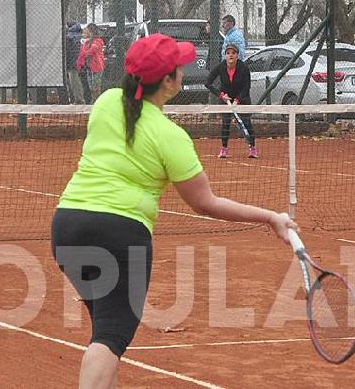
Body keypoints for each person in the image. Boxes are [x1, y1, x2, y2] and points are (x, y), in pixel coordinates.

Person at [51, 33, 298, 388]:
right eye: (178, 69)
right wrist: (271, 217)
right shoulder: (171, 137)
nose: (183, 71)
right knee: (110, 338)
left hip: (67, 226)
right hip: (120, 235)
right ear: (168, 82)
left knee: (105, 332)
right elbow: (205, 203)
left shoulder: (106, 102)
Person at [205, 44, 258, 158]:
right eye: (228, 53)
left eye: (233, 53)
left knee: (247, 123)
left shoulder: (244, 68)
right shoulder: (221, 67)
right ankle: (224, 149)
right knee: (225, 123)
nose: (231, 55)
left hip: (242, 99)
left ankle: (252, 148)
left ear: (237, 55)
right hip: (226, 99)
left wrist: (237, 100)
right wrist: (221, 95)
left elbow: (246, 86)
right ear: (225, 55)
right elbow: (208, 83)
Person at [77, 23, 106, 102]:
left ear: (91, 32)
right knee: (91, 87)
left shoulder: (98, 41)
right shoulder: (86, 43)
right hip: (89, 67)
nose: (84, 33)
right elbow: (82, 54)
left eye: (87, 31)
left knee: (95, 86)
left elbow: (89, 52)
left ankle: (97, 102)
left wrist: (84, 48)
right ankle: (94, 101)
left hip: (97, 67)